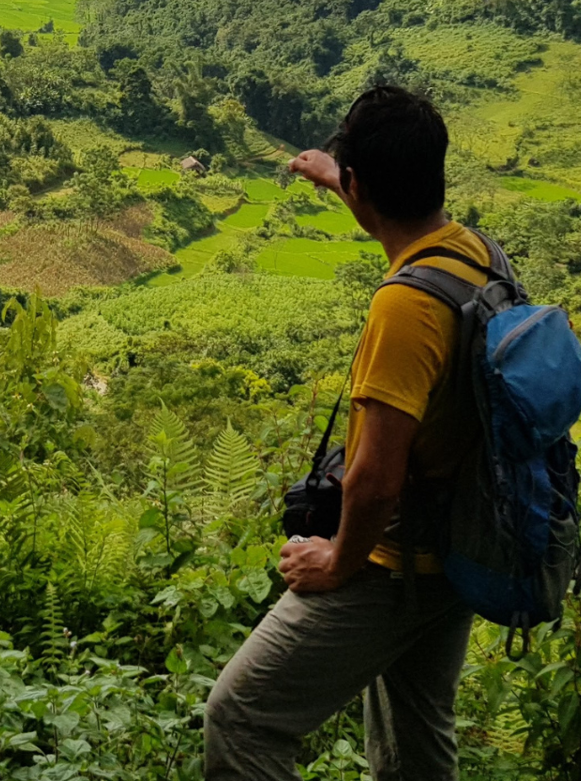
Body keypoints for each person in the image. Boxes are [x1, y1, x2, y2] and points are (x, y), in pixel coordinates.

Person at [204, 84, 494, 781]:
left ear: (365, 186)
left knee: (240, 714)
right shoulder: (473, 255)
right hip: (460, 546)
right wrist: (337, 176)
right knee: (414, 748)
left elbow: (374, 476)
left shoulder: (403, 309)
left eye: (349, 178)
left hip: (394, 562)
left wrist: (336, 561)